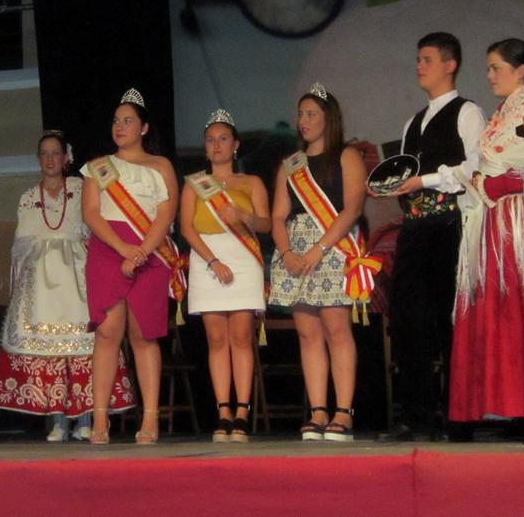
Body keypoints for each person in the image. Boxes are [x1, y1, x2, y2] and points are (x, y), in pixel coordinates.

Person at [376, 32, 485, 441]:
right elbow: (404, 176)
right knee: (408, 324)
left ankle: (459, 415)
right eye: (418, 59)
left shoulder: (468, 112)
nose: (419, 66)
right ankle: (416, 414)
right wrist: (388, 185)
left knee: (448, 321)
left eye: (427, 59)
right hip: (416, 228)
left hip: (450, 226)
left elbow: (475, 166)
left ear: (450, 64)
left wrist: (426, 178)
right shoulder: (413, 122)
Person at [449, 40, 524, 432]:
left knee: (519, 307)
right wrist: (480, 180)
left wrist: (504, 182)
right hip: (493, 224)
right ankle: (504, 404)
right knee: (498, 307)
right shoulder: (504, 112)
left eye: (496, 67)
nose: (489, 75)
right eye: (489, 67)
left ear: (521, 71)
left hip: (517, 226)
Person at [0, 131, 136, 441]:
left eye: (55, 153)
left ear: (66, 157)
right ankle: (58, 418)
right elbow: (21, 244)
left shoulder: (81, 187)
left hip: (78, 276)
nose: (49, 159)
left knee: (84, 347)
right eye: (44, 153)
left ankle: (85, 417)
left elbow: (94, 225)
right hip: (42, 282)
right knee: (51, 353)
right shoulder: (29, 197)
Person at [81, 89, 182, 445]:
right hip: (109, 249)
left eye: (127, 121)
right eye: (115, 120)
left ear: (143, 127)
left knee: (143, 334)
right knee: (108, 333)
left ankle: (150, 419)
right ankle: (100, 421)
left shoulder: (161, 166)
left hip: (149, 251)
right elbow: (91, 212)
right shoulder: (98, 167)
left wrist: (141, 250)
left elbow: (167, 213)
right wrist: (124, 247)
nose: (120, 126)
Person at [269, 83, 369, 442]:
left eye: (312, 113)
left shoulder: (347, 155)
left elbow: (353, 207)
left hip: (332, 246)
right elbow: (278, 215)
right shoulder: (290, 165)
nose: (304, 120)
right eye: (301, 114)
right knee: (307, 333)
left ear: (329, 118)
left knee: (336, 329)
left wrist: (319, 249)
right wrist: (287, 253)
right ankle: (317, 410)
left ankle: (343, 411)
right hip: (295, 251)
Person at [179, 109, 271, 442]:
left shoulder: (252, 183)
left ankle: (243, 412)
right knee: (216, 340)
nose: (216, 145)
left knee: (241, 337)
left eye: (223, 139)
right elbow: (187, 229)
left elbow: (266, 223)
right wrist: (213, 261)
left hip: (244, 258)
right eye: (210, 140)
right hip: (208, 260)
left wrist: (243, 215)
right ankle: (222, 412)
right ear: (205, 148)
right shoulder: (193, 184)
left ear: (235, 145)